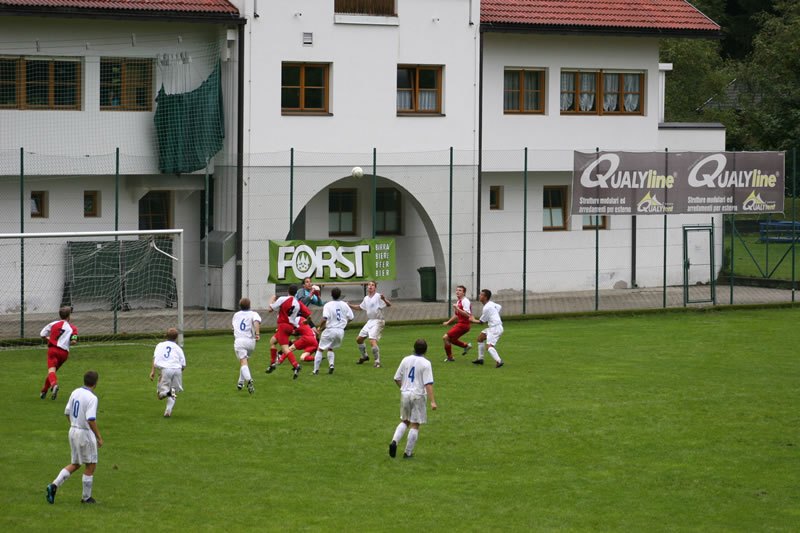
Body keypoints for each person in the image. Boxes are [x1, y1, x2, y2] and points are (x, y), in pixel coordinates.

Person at [46, 370, 103, 504]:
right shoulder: (92, 398)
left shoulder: (75, 392)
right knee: (91, 464)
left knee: (76, 463)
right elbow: (91, 419)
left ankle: (53, 485)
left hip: (72, 430)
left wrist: (74, 424)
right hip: (84, 433)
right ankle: (86, 497)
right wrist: (98, 437)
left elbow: (67, 412)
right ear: (96, 382)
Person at [388, 339, 437, 459]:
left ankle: (394, 441)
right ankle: (407, 453)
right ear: (426, 350)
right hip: (418, 395)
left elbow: (397, 378)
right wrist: (432, 401)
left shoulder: (406, 360)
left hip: (405, 394)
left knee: (405, 420)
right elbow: (428, 384)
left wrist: (404, 388)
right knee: (415, 424)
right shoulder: (426, 363)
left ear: (413, 348)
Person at [265, 284, 306, 379]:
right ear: (296, 293)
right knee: (272, 342)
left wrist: (272, 299)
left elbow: (270, 309)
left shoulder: (283, 299)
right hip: (290, 326)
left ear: (288, 291)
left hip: (283, 326)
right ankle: (272, 364)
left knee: (285, 349)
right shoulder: (297, 303)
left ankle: (296, 366)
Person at [349, 280, 391, 368]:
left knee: (372, 340)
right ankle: (365, 356)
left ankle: (377, 361)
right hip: (370, 321)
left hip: (378, 320)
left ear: (375, 288)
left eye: (372, 285)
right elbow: (360, 307)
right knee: (359, 339)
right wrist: (350, 305)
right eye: (369, 285)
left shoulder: (378, 296)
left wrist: (384, 299)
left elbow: (389, 304)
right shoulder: (366, 298)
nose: (370, 286)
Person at [313, 287, 354, 375]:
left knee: (320, 349)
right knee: (330, 348)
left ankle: (315, 370)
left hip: (330, 330)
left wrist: (320, 328)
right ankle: (331, 365)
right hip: (340, 331)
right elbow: (351, 317)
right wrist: (344, 324)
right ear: (340, 295)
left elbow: (324, 319)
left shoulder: (328, 305)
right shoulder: (344, 304)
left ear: (331, 294)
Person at [39, 307, 78, 400]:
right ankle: (44, 391)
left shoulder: (53, 324)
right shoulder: (73, 328)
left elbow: (42, 334)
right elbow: (74, 341)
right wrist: (67, 341)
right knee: (53, 373)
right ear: (69, 316)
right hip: (64, 353)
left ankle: (54, 385)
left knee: (51, 372)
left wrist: (48, 339)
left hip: (53, 350)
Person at [149, 328, 186, 417]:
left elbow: (155, 358)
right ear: (176, 338)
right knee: (173, 392)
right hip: (177, 370)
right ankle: (168, 411)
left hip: (165, 370)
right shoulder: (178, 348)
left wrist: (153, 371)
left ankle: (166, 393)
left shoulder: (160, 345)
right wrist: (178, 372)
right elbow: (183, 365)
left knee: (160, 396)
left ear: (166, 336)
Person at [231, 297, 261, 393]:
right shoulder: (253, 314)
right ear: (249, 305)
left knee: (243, 362)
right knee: (245, 361)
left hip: (240, 341)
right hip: (251, 342)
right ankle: (240, 382)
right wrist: (257, 334)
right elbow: (256, 322)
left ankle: (249, 380)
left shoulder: (236, 315)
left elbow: (233, 327)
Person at [469, 289, 504, 368]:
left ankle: (499, 361)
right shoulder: (491, 304)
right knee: (480, 338)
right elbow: (499, 307)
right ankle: (480, 359)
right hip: (495, 326)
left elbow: (481, 322)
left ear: (485, 297)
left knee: (489, 346)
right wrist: (494, 314)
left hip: (495, 328)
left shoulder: (486, 308)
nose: (479, 296)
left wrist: (472, 320)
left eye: (481, 295)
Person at [442, 285, 472, 362]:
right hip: (462, 324)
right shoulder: (459, 301)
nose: (457, 292)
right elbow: (456, 315)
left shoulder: (465, 301)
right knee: (451, 339)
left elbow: (467, 314)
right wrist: (448, 322)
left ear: (464, 293)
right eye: (457, 290)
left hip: (464, 325)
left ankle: (450, 358)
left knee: (445, 338)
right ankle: (466, 346)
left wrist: (457, 308)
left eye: (460, 290)